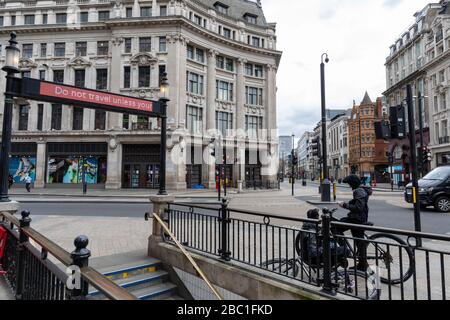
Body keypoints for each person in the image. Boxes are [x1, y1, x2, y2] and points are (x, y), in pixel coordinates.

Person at [337, 174, 373, 271]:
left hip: (357, 219)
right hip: (359, 218)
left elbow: (358, 207)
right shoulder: (361, 189)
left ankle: (344, 250)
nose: (349, 185)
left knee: (335, 227)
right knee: (359, 242)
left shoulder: (359, 191)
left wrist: (344, 205)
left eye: (349, 183)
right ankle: (362, 265)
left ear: (352, 183)